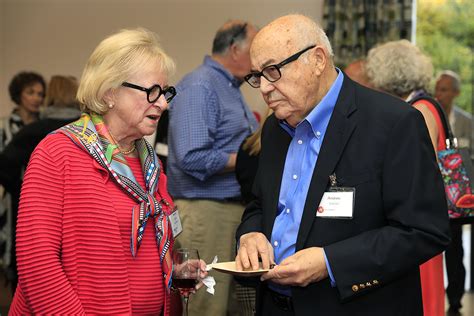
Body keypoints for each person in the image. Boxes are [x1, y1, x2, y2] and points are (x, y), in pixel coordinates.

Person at [235, 14, 450, 315]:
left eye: (272, 71)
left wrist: (329, 262)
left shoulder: (393, 123)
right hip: (274, 304)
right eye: (257, 76)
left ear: (318, 60)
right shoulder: (275, 129)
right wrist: (251, 233)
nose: (264, 89)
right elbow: (260, 203)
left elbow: (425, 231)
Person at [8, 28, 201, 315]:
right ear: (110, 92)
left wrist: (173, 271)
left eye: (166, 92)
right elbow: (37, 262)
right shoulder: (58, 153)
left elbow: (143, 248)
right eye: (153, 91)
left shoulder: (149, 162)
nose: (164, 103)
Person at [167, 20, 259, 316]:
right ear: (235, 49)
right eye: (255, 49)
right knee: (206, 308)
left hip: (228, 211)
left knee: (228, 307)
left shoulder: (228, 87)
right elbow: (192, 157)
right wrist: (246, 158)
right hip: (206, 211)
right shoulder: (201, 85)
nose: (259, 58)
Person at [365, 39, 447, 316]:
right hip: (423, 219)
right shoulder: (426, 104)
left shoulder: (419, 110)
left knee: (420, 297)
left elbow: (419, 171)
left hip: (417, 223)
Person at [0, 75, 79, 294]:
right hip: (79, 217)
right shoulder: (91, 132)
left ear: (50, 97)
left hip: (37, 214)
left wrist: (23, 188)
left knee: (37, 277)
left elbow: (4, 167)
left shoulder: (33, 131)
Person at [0, 71, 46, 293]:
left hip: (41, 199)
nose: (37, 98)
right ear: (19, 95)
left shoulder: (46, 126)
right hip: (12, 198)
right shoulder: (5, 127)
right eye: (31, 93)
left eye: (40, 93)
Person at [435, 70, 473, 315]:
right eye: (437, 88)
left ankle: (456, 301)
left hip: (457, 198)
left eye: (445, 89)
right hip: (432, 194)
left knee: (455, 249)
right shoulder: (426, 114)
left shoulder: (467, 122)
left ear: (457, 93)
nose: (439, 93)